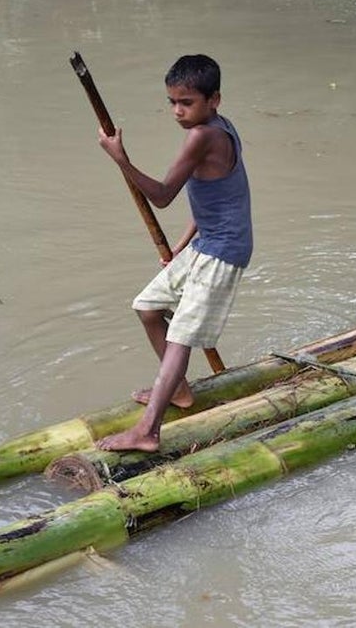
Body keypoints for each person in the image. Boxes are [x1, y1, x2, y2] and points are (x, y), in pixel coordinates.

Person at [94, 54, 253, 452]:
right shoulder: (219, 127)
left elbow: (163, 196)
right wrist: (181, 248)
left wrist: (120, 160)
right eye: (172, 102)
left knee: (181, 335)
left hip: (223, 250)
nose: (178, 111)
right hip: (205, 244)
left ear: (214, 99)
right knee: (147, 308)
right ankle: (178, 389)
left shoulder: (205, 136)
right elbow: (214, 203)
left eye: (187, 103)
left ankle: (147, 431)